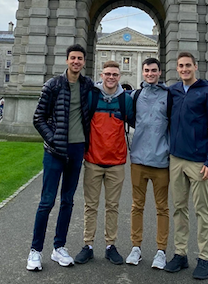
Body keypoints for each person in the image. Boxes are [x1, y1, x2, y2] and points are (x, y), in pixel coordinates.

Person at [27, 44, 94, 272]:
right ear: (67, 60)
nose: (76, 62)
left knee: (68, 201)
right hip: (55, 152)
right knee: (47, 202)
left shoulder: (87, 86)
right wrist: (53, 139)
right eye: (73, 58)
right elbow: (38, 118)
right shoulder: (53, 85)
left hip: (76, 151)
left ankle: (59, 247)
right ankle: (35, 251)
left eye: (80, 58)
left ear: (84, 62)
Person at [164, 52, 208, 280]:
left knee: (202, 211)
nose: (184, 69)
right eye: (181, 66)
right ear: (177, 68)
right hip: (177, 159)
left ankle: (204, 258)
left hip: (199, 162)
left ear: (195, 67)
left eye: (188, 65)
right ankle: (180, 254)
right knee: (179, 209)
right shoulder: (174, 91)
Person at [74, 60, 134, 266]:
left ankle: (110, 245)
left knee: (113, 206)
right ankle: (88, 245)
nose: (111, 77)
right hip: (93, 160)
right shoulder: (91, 95)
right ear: (101, 74)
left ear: (119, 76)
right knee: (90, 206)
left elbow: (139, 122)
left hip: (116, 162)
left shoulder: (126, 100)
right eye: (108, 74)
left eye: (115, 74)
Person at [125, 58, 170, 269]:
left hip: (161, 161)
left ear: (160, 72)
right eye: (147, 70)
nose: (150, 74)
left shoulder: (169, 96)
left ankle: (161, 250)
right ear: (142, 72)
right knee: (137, 206)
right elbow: (131, 119)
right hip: (138, 160)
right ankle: (136, 247)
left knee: (162, 208)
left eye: (153, 70)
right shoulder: (135, 96)